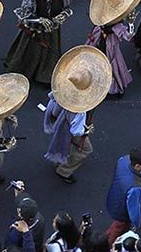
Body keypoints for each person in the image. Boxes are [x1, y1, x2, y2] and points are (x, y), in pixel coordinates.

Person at [5, 0, 81, 84]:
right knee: (29, 52)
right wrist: (39, 20)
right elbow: (24, 15)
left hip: (52, 32)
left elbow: (67, 9)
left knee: (49, 53)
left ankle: (43, 75)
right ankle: (23, 70)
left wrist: (62, 16)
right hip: (34, 32)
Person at [44, 45, 111, 184]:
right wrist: (86, 130)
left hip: (59, 121)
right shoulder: (79, 111)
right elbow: (76, 131)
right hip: (68, 126)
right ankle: (64, 170)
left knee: (65, 144)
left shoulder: (59, 93)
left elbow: (52, 107)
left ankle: (59, 161)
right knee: (85, 150)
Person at [105, 148, 141, 242]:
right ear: (137, 166)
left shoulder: (124, 160)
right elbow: (134, 211)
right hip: (122, 212)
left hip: (114, 197)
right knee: (119, 228)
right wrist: (136, 224)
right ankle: (107, 244)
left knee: (116, 225)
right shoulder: (135, 187)